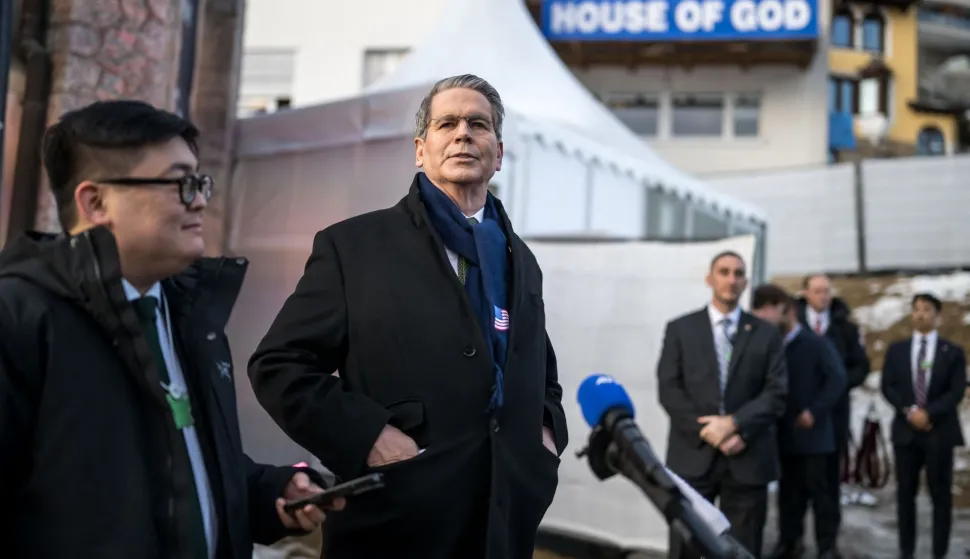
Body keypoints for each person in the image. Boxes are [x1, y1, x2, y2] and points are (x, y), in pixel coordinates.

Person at [0, 100, 341, 559]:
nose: (200, 199)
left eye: (199, 182)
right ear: (95, 201)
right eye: (180, 183)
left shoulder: (185, 314)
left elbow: (178, 464)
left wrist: (268, 491)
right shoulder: (19, 318)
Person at [248, 74, 567, 559]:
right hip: (395, 521)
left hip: (504, 522)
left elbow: (540, 371)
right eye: (448, 123)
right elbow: (279, 364)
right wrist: (366, 434)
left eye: (478, 124)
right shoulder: (354, 246)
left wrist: (543, 440)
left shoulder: (520, 259)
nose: (463, 133)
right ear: (422, 149)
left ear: (498, 154)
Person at [657, 251, 788, 559]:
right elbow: (669, 389)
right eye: (724, 272)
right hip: (692, 455)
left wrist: (734, 425)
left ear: (745, 282)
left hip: (747, 454)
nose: (731, 279)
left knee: (741, 549)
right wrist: (709, 431)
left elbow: (777, 392)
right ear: (709, 278)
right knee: (685, 546)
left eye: (738, 273)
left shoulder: (766, 334)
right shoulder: (681, 329)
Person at [752, 285, 845, 559]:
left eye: (768, 311)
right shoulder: (772, 345)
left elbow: (837, 379)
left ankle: (827, 546)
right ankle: (789, 542)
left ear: (787, 310)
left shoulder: (814, 343)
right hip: (784, 436)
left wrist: (815, 412)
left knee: (821, 495)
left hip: (815, 438)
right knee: (789, 495)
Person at [881, 293, 966, 559]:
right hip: (906, 435)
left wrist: (928, 413)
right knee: (906, 497)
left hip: (939, 434)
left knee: (940, 498)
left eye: (926, 309)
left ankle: (939, 553)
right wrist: (909, 412)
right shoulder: (897, 350)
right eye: (916, 309)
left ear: (937, 316)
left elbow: (956, 391)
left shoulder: (952, 352)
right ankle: (907, 552)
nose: (920, 314)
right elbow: (888, 386)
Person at [797, 273, 869, 547]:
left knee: (827, 485)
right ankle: (791, 542)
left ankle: (827, 545)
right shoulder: (793, 325)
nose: (823, 297)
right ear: (805, 293)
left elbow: (860, 367)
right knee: (795, 486)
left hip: (832, 419)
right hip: (797, 418)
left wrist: (835, 386)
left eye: (826, 291)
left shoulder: (844, 329)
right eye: (817, 291)